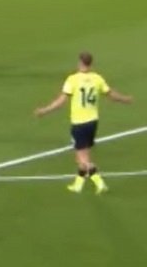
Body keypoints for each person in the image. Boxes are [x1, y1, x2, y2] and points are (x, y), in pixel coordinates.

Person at [34, 52, 133, 193]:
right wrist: (125, 99)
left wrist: (45, 110)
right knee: (83, 154)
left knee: (82, 158)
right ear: (91, 64)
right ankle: (78, 184)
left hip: (79, 123)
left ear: (80, 62)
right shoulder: (97, 78)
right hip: (93, 122)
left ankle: (99, 182)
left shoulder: (72, 79)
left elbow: (61, 101)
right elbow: (111, 95)